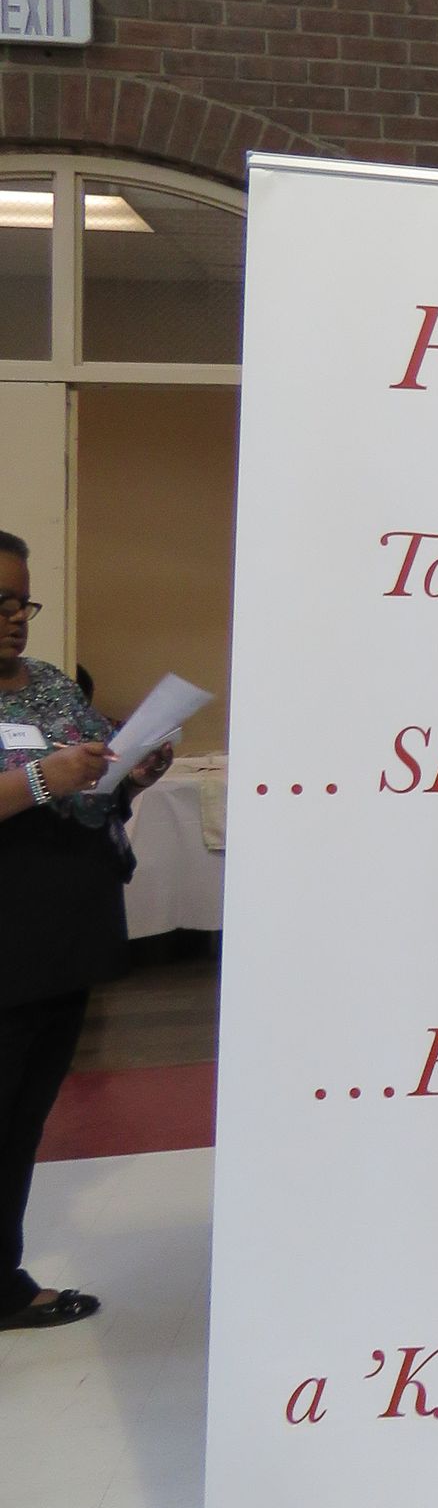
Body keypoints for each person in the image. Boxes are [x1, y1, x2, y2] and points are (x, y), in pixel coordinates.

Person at [0, 528, 171, 1329]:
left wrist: (128, 773)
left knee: (22, 1117)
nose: (14, 619)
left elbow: (88, 790)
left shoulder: (53, 686)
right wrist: (39, 777)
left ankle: (1, 1276)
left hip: (58, 936)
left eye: (22, 600)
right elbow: (44, 782)